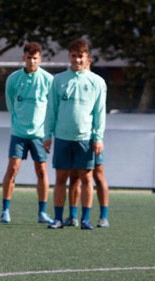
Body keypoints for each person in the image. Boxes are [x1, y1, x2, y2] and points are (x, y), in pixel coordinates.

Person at [43, 38, 106, 230]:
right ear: (68, 57)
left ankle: (85, 219)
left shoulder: (97, 82)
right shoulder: (58, 80)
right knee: (61, 178)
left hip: (85, 138)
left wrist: (98, 137)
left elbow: (99, 112)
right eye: (73, 56)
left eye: (80, 56)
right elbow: (51, 110)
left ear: (87, 58)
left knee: (87, 178)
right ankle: (58, 218)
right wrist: (47, 135)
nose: (77, 60)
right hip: (62, 137)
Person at [0, 42, 54, 224]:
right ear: (24, 58)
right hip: (19, 133)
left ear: (40, 59)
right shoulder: (14, 79)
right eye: (29, 58)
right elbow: (10, 104)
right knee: (12, 169)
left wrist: (48, 134)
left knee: (41, 171)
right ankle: (5, 210)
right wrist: (18, 123)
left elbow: (51, 107)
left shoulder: (48, 79)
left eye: (35, 58)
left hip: (39, 134)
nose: (32, 61)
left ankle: (42, 212)